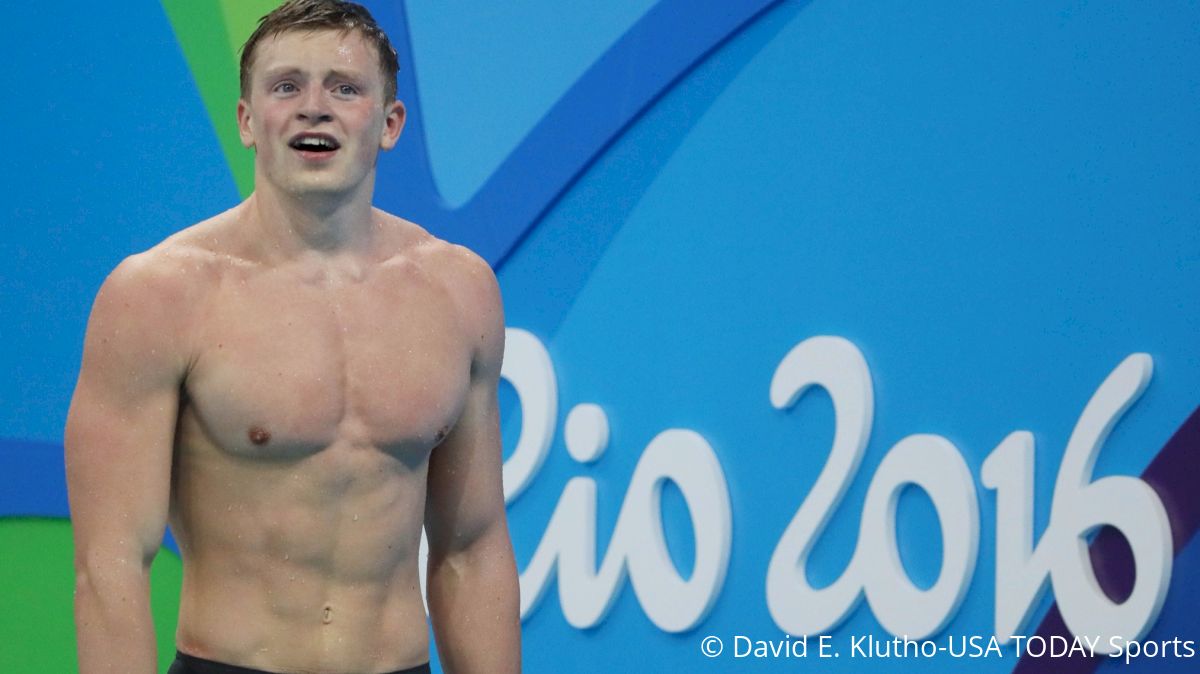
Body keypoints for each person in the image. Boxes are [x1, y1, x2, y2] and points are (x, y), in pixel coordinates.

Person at [64, 1, 521, 672]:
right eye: (286, 86)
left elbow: (471, 549)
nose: (315, 107)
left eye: (344, 87)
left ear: (389, 124)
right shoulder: (158, 297)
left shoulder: (460, 291)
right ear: (248, 121)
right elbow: (110, 567)